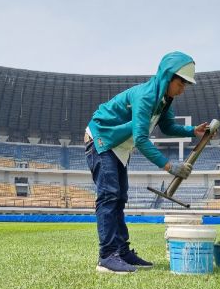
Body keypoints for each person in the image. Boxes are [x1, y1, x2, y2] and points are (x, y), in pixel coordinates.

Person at [84, 51, 209, 274]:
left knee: (120, 197)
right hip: (102, 140)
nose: (183, 89)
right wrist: (170, 167)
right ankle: (106, 257)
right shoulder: (145, 96)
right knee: (109, 196)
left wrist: (192, 131)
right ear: (167, 76)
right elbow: (141, 139)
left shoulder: (163, 101)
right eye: (181, 83)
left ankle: (121, 252)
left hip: (119, 146)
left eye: (186, 85)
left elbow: (168, 127)